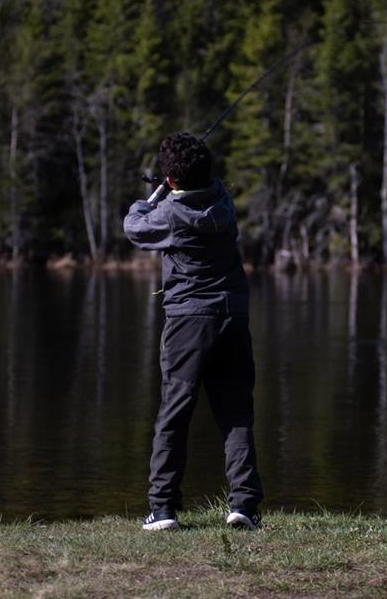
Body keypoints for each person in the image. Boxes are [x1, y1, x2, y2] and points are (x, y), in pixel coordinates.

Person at [123, 132, 264, 531]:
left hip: (189, 321)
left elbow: (134, 227)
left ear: (170, 181)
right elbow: (205, 186)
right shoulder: (224, 202)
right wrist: (174, 184)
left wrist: (148, 197)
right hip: (233, 316)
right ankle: (245, 506)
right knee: (236, 411)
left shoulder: (169, 214)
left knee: (174, 413)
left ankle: (163, 508)